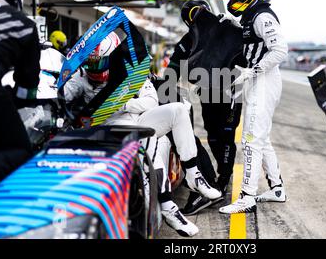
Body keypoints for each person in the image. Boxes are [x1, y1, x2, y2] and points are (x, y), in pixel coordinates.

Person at [64, 34, 221, 236]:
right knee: (155, 139)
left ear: (111, 57)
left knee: (179, 110)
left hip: (138, 119)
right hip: (110, 130)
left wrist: (119, 104)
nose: (95, 69)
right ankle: (168, 207)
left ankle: (193, 175)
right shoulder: (80, 77)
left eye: (100, 62)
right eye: (91, 63)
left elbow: (151, 101)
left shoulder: (131, 72)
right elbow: (62, 94)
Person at [218, 0, 289, 214]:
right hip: (259, 80)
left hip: (264, 80)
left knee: (250, 139)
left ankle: (247, 196)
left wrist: (254, 70)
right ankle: (277, 188)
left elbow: (280, 51)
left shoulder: (262, 15)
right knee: (262, 138)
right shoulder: (252, 15)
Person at [165, 0, 243, 216]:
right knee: (213, 136)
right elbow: (174, 65)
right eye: (192, 17)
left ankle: (223, 181)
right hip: (207, 93)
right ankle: (218, 178)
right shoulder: (188, 39)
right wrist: (164, 85)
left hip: (231, 92)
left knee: (225, 136)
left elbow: (247, 51)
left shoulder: (227, 28)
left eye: (199, 13)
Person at [0, 0, 40, 190]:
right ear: (16, 0)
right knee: (20, 152)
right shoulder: (24, 24)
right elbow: (27, 89)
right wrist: (13, 100)